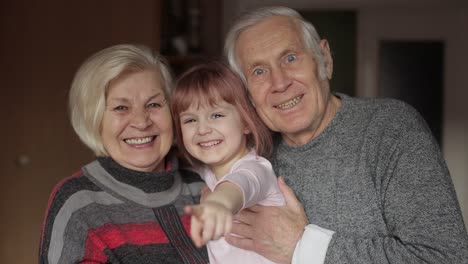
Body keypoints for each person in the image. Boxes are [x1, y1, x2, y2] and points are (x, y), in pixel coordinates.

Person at [223, 6, 468, 264]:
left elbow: (446, 257)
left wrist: (303, 246)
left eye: (290, 58)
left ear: (324, 60)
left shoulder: (389, 128)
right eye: (259, 71)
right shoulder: (249, 157)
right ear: (248, 94)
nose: (280, 82)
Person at [38, 44, 209, 264]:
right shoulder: (79, 203)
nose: (141, 121)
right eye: (121, 108)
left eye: (154, 104)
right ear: (95, 120)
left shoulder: (201, 185)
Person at [170, 61, 285, 263]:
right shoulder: (202, 172)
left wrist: (220, 203)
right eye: (190, 120)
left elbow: (242, 183)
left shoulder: (257, 168)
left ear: (246, 123)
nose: (203, 129)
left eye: (216, 115)